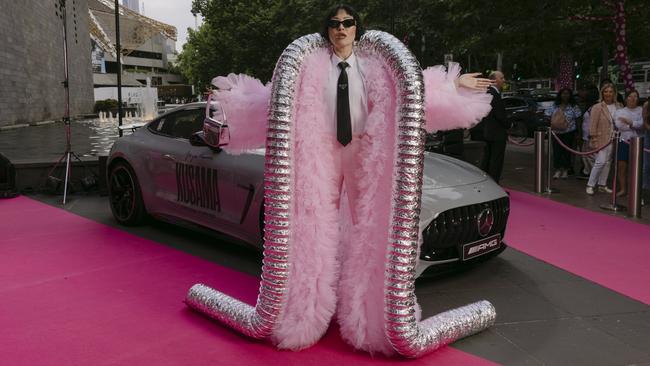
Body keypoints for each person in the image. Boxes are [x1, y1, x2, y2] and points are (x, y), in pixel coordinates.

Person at [193, 4, 495, 358]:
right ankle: (305, 311)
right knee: (311, 225)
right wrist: (230, 108)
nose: (341, 29)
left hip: (363, 149)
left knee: (368, 224)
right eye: (335, 24)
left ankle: (368, 314)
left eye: (347, 23)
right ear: (328, 29)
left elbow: (414, 93)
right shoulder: (308, 67)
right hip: (319, 149)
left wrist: (456, 85)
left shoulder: (376, 67)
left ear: (356, 28)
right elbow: (274, 101)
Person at [471, 71, 508, 183]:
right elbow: (499, 115)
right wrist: (509, 125)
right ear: (495, 80)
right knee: (495, 161)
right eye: (502, 78)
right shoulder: (493, 94)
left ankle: (486, 183)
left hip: (489, 133)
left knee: (488, 159)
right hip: (496, 134)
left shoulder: (488, 92)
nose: (504, 80)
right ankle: (494, 185)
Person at [586, 83, 622, 195]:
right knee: (600, 162)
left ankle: (602, 184)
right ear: (602, 93)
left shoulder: (619, 106)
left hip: (615, 139)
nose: (608, 94)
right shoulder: (597, 107)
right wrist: (594, 140)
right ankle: (590, 184)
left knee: (608, 162)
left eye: (610, 91)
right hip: (601, 139)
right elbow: (592, 125)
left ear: (614, 93)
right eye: (606, 91)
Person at [613, 90, 643, 196]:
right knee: (622, 165)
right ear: (626, 98)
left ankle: (636, 191)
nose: (633, 98)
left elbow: (642, 125)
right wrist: (634, 124)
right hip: (624, 141)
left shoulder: (641, 110)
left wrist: (630, 123)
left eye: (635, 96)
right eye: (630, 96)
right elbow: (619, 125)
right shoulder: (620, 111)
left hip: (639, 142)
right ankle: (623, 188)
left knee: (637, 167)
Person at [546, 88, 581, 179]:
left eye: (567, 93)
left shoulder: (574, 106)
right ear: (560, 95)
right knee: (557, 152)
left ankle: (565, 170)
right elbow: (547, 115)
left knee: (567, 152)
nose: (565, 95)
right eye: (563, 93)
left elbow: (578, 119)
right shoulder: (554, 105)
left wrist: (578, 132)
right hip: (556, 133)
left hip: (569, 132)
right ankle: (558, 170)